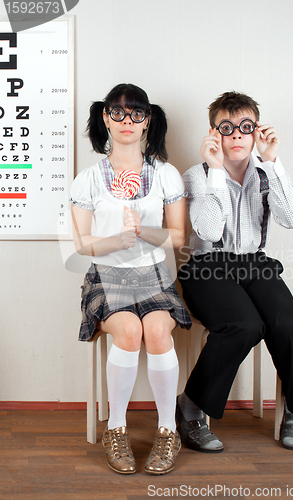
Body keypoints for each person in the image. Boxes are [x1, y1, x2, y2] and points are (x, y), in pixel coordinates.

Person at [177, 91, 293, 452]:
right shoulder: (197, 175)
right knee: (244, 326)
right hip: (207, 267)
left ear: (256, 132)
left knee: (288, 326)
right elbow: (208, 231)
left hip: (256, 264)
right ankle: (190, 408)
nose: (236, 135)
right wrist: (218, 171)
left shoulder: (266, 173)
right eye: (227, 127)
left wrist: (274, 162)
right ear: (213, 133)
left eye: (245, 127)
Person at [70, 83, 191, 475]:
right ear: (105, 117)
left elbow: (178, 238)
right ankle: (117, 428)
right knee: (127, 331)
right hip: (106, 275)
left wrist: (143, 233)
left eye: (136, 114)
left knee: (157, 331)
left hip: (155, 274)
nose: (127, 121)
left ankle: (168, 431)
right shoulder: (88, 179)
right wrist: (116, 240)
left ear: (147, 121)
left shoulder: (166, 175)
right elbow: (82, 244)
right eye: (118, 113)